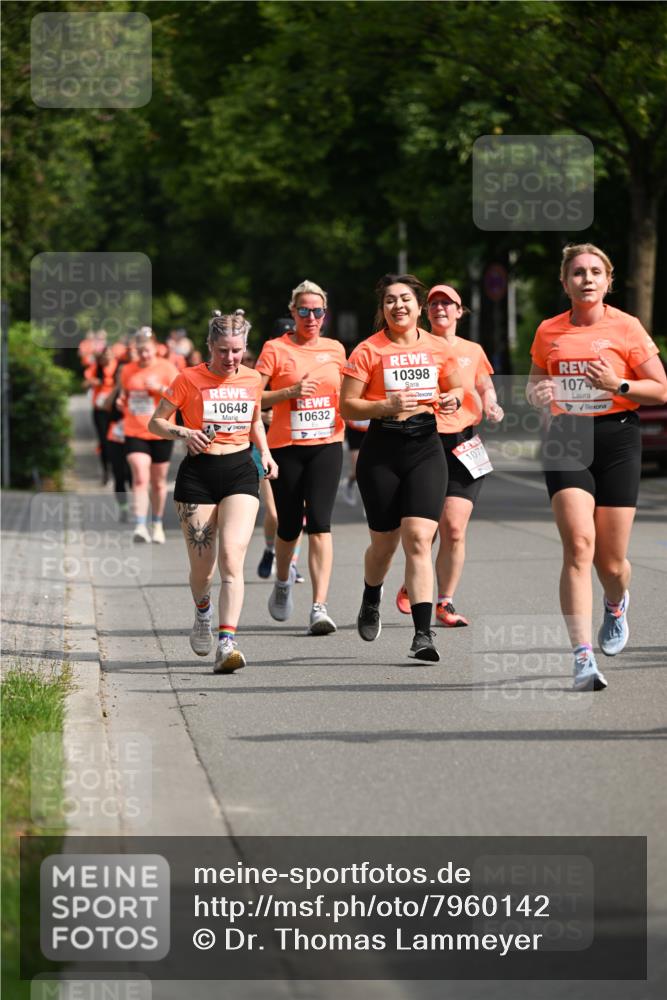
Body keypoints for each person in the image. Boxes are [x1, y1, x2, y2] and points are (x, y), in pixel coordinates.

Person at [527, 243, 667, 691]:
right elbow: (534, 385)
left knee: (611, 563)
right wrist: (539, 396)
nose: (586, 279)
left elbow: (660, 390)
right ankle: (582, 655)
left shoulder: (626, 327)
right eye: (577, 273)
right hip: (568, 436)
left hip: (618, 438)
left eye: (594, 272)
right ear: (564, 283)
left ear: (607, 281)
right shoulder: (549, 331)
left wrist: (619, 383)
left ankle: (616, 600)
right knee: (578, 545)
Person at [340, 274, 463, 662]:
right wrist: (385, 406)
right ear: (383, 309)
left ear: (419, 306)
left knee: (418, 538)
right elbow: (348, 406)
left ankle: (423, 636)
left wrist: (452, 401)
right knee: (384, 545)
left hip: (426, 446)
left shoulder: (437, 347)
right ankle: (371, 595)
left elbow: (457, 388)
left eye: (406, 299)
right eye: (390, 300)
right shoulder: (367, 350)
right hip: (383, 449)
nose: (399, 306)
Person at [148, 309, 278, 674]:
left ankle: (227, 642)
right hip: (198, 477)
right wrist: (184, 433)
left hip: (240, 471)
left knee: (233, 560)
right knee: (203, 571)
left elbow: (254, 420)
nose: (230, 358)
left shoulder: (252, 379)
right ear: (209, 346)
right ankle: (202, 611)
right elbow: (155, 421)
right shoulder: (188, 379)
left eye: (237, 351)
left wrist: (265, 454)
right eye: (223, 351)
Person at [395, 284, 504, 626]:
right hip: (424, 441)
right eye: (434, 303)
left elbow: (484, 383)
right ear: (426, 312)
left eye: (447, 303)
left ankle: (445, 602)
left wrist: (491, 401)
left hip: (464, 443)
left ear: (459, 311)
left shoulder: (473, 349)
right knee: (425, 530)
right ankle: (414, 579)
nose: (440, 308)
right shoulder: (416, 346)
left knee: (454, 528)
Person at [256, 281, 346, 635]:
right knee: (289, 525)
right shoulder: (275, 349)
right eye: (304, 311)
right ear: (292, 313)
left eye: (318, 311)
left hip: (327, 444)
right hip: (286, 447)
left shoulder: (336, 349)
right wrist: (291, 392)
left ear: (326, 314)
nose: (311, 317)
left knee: (321, 523)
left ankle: (319, 607)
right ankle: (282, 582)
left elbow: (352, 391)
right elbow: (255, 398)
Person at [119, 329, 179, 543]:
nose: (144, 355)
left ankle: (157, 523)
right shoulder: (127, 370)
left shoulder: (167, 368)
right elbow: (124, 394)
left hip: (161, 430)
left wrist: (159, 388)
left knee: (158, 482)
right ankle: (139, 526)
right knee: (140, 477)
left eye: (147, 350)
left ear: (156, 348)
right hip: (135, 430)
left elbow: (179, 397)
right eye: (140, 351)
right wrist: (121, 401)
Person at [83, 346, 119, 485]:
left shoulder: (119, 367)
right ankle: (106, 471)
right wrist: (91, 382)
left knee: (117, 441)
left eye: (110, 355)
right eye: (105, 356)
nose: (107, 358)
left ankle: (120, 469)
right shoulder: (95, 368)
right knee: (104, 442)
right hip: (100, 409)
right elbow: (85, 384)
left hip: (116, 409)